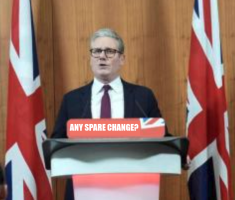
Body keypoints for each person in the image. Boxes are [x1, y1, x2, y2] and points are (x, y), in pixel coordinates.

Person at [51, 28, 168, 200]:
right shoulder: (72, 99)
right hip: (83, 189)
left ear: (122, 59)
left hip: (134, 189)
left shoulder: (143, 97)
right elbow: (57, 144)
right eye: (96, 51)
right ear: (90, 59)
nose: (102, 56)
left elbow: (162, 137)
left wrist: (180, 152)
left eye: (110, 51)